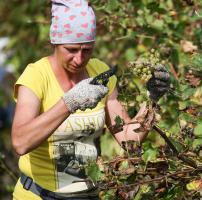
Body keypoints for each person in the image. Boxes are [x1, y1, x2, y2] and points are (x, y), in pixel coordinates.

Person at [11, 0, 170, 199]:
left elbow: (129, 140)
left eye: (87, 50)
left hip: (89, 194)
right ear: (55, 42)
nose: (79, 59)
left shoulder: (99, 72)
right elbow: (20, 142)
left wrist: (151, 100)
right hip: (39, 195)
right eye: (71, 50)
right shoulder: (36, 76)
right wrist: (70, 103)